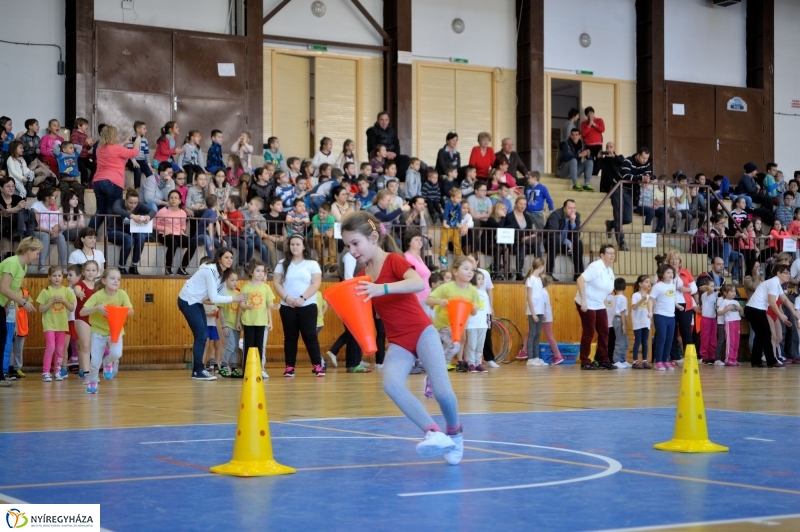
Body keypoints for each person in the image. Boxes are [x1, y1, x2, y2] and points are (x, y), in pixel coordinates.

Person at [178, 248, 245, 380]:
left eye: (231, 258)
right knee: (201, 335)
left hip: (196, 301)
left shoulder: (222, 275)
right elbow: (214, 298)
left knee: (202, 335)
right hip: (187, 300)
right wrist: (234, 299)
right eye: (226, 257)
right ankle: (198, 370)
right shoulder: (211, 271)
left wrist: (239, 297)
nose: (229, 260)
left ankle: (199, 370)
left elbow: (221, 294)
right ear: (219, 259)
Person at [272, 234, 324, 377]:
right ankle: (289, 367)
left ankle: (318, 365)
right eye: (292, 244)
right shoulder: (282, 263)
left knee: (310, 336)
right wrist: (286, 298)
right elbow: (276, 282)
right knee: (290, 337)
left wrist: (303, 298)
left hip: (307, 305)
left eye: (297, 244)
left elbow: (316, 283)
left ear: (303, 246)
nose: (294, 247)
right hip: (287, 306)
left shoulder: (312, 263)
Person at [79, 268, 132, 394]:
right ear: (103, 281)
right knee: (95, 361)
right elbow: (82, 312)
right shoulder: (97, 296)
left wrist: (123, 310)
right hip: (98, 331)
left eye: (118, 279)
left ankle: (108, 362)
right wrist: (97, 308)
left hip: (116, 330)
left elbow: (131, 311)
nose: (116, 281)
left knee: (117, 353)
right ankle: (92, 381)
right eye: (112, 278)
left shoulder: (122, 295)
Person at [745, 264, 797, 368]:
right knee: (767, 335)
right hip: (754, 309)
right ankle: (771, 361)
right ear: (778, 273)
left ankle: (756, 361)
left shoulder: (777, 284)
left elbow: (785, 299)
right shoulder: (774, 282)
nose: (788, 275)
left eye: (789, 273)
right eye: (785, 273)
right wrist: (781, 315)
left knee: (760, 335)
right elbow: (772, 303)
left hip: (755, 310)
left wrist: (795, 313)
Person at [92, 125, 141, 234]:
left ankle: (89, 233)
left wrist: (124, 143)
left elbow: (113, 150)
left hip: (98, 181)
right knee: (111, 209)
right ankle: (110, 233)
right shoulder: (117, 149)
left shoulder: (99, 149)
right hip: (113, 182)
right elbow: (134, 153)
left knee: (100, 210)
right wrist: (137, 141)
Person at [575, 244, 616, 370]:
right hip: (586, 302)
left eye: (613, 253)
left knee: (604, 331)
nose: (612, 255)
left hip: (599, 304)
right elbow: (580, 280)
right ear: (602, 255)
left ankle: (603, 359)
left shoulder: (609, 270)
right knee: (589, 332)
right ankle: (585, 361)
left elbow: (606, 289)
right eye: (609, 253)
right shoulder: (596, 266)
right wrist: (584, 301)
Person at [36, 266, 76, 382]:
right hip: (49, 324)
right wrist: (51, 302)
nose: (57, 278)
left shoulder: (66, 291)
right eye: (54, 276)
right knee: (51, 347)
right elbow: (41, 309)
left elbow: (72, 308)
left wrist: (64, 301)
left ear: (62, 277)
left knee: (59, 348)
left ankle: (57, 371)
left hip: (62, 324)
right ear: (49, 277)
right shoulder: (46, 291)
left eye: (59, 275)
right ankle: (46, 372)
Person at [237, 260, 274, 378]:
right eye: (258, 271)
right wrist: (247, 306)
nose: (261, 273)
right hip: (248, 322)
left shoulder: (266, 288)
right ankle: (247, 370)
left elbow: (270, 305)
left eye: (263, 271)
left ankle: (259, 369)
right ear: (251, 272)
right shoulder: (246, 287)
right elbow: (241, 304)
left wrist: (275, 307)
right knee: (249, 346)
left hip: (261, 322)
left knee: (259, 346)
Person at [108, 189, 155, 274]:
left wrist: (149, 216)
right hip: (114, 231)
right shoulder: (119, 202)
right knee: (129, 239)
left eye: (135, 203)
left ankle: (134, 266)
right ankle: (121, 266)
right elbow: (116, 209)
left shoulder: (139, 205)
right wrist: (131, 215)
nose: (133, 205)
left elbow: (153, 211)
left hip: (130, 232)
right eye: (130, 203)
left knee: (142, 237)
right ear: (125, 200)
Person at [648, 264, 684, 371]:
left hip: (671, 316)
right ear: (662, 274)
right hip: (660, 315)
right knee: (662, 337)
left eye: (672, 272)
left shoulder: (672, 286)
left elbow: (672, 299)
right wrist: (650, 312)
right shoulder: (658, 286)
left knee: (670, 339)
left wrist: (677, 306)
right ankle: (658, 361)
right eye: (668, 272)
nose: (671, 274)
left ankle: (665, 360)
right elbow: (650, 300)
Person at [155, 190, 196, 276]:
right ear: (168, 200)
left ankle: (182, 268)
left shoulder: (182, 212)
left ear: (179, 200)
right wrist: (164, 228)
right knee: (174, 242)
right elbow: (153, 223)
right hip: (164, 234)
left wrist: (182, 230)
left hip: (178, 234)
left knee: (193, 243)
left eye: (176, 198)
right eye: (171, 198)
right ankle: (168, 268)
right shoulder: (163, 211)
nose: (173, 200)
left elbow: (183, 224)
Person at [667, 251, 697, 364]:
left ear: (680, 261)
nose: (674, 261)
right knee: (672, 331)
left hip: (685, 305)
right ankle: (674, 357)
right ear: (668, 261)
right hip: (669, 304)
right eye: (672, 259)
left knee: (686, 331)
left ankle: (690, 357)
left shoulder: (686, 272)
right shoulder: (665, 272)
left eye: (676, 259)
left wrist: (687, 289)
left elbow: (694, 288)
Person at [545, 199, 585, 281]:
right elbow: (553, 233)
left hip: (566, 245)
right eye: (570, 208)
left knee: (578, 244)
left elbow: (576, 235)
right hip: (551, 241)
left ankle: (578, 274)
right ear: (564, 209)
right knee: (554, 242)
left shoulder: (577, 216)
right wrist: (566, 241)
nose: (572, 210)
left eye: (574, 208)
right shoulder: (555, 215)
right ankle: (548, 274)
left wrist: (572, 222)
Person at [73, 260, 98, 382]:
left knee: (95, 347)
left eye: (93, 270)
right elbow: (76, 289)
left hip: (95, 319)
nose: (91, 273)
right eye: (88, 270)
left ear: (97, 272)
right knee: (85, 345)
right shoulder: (80, 284)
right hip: (82, 317)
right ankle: (86, 374)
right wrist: (78, 293)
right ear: (83, 272)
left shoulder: (98, 286)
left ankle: (93, 373)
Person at [30, 186, 67, 273]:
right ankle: (41, 267)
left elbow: (57, 224)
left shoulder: (55, 207)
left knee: (61, 236)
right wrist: (48, 231)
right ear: (47, 198)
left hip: (50, 232)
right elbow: (34, 226)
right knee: (45, 236)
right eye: (55, 197)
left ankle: (64, 267)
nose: (56, 199)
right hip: (38, 232)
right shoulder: (36, 206)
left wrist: (55, 230)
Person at [505, 196, 538, 280]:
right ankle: (519, 273)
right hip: (515, 243)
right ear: (516, 204)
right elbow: (510, 231)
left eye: (524, 204)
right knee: (523, 246)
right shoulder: (509, 216)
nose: (523, 206)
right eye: (520, 204)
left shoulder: (527, 217)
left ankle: (538, 271)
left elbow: (530, 231)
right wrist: (522, 238)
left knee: (537, 246)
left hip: (527, 242)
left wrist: (530, 236)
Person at [218, 269, 242, 378]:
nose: (235, 282)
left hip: (235, 324)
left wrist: (238, 322)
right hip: (227, 324)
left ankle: (234, 368)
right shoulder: (222, 293)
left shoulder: (238, 293)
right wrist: (224, 326)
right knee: (231, 345)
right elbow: (221, 311)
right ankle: (223, 366)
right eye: (232, 280)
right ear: (226, 280)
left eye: (236, 280)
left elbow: (240, 310)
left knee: (236, 347)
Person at [465, 270, 490, 373]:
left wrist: (487, 323)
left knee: (480, 346)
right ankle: (471, 364)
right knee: (472, 345)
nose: (481, 281)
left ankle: (478, 363)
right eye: (479, 279)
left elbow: (487, 309)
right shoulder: (469, 292)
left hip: (482, 324)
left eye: (482, 279)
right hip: (472, 324)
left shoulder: (484, 293)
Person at [524, 258, 547, 367]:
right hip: (533, 311)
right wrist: (533, 313)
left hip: (540, 310)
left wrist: (543, 312)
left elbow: (540, 297)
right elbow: (529, 297)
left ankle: (536, 357)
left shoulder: (538, 279)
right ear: (541, 266)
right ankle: (530, 358)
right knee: (532, 334)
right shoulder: (530, 279)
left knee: (538, 334)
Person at [716, 284, 743, 366]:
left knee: (736, 341)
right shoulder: (724, 302)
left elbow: (741, 313)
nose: (734, 293)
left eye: (734, 291)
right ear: (725, 293)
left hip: (737, 322)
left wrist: (740, 309)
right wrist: (727, 309)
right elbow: (719, 313)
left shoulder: (736, 302)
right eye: (731, 291)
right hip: (729, 322)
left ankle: (734, 358)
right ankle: (728, 358)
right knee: (730, 341)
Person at [607, 278, 629, 368]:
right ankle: (616, 360)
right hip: (620, 319)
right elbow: (622, 312)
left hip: (616, 319)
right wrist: (624, 324)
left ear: (614, 289)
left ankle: (622, 359)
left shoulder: (613, 298)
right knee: (620, 341)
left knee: (625, 341)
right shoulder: (623, 298)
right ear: (624, 288)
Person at [56, 141, 85, 213]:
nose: (73, 149)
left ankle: (80, 208)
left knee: (80, 188)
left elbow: (80, 147)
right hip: (63, 180)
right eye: (70, 148)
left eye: (73, 148)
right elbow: (54, 149)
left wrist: (72, 145)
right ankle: (64, 207)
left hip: (73, 181)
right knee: (64, 189)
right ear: (64, 149)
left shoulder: (74, 155)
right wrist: (60, 145)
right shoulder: (60, 155)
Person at [631, 275, 652, 369]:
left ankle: (644, 360)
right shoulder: (635, 295)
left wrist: (651, 317)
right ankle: (635, 361)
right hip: (638, 322)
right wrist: (642, 300)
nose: (649, 283)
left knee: (645, 341)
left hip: (646, 322)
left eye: (649, 282)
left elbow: (650, 308)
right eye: (646, 282)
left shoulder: (649, 296)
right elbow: (634, 307)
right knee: (638, 341)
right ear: (640, 284)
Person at [439, 188, 464, 266]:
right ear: (452, 198)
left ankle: (460, 258)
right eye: (458, 197)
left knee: (457, 243)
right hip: (448, 227)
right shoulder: (448, 204)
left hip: (455, 227)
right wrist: (444, 223)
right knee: (444, 243)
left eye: (460, 197)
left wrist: (460, 223)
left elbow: (460, 215)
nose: (460, 199)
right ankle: (442, 257)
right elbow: (446, 214)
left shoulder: (459, 205)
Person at [125, 121, 152, 189]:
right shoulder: (131, 139)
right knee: (138, 169)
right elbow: (129, 152)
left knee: (149, 172)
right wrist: (134, 162)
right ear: (138, 129)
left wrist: (149, 164)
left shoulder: (145, 140)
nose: (146, 130)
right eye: (144, 128)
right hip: (132, 161)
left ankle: (151, 187)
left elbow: (146, 153)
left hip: (142, 161)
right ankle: (137, 188)